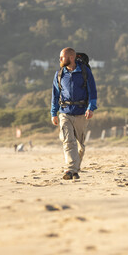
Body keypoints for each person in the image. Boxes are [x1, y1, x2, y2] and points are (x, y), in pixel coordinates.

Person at [51, 47, 97, 180]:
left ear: (71, 57)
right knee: (68, 141)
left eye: (62, 57)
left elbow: (92, 91)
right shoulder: (59, 74)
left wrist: (91, 108)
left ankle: (75, 169)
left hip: (81, 112)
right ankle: (70, 169)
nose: (60, 59)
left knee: (80, 145)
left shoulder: (84, 72)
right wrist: (53, 113)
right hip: (64, 113)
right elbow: (55, 95)